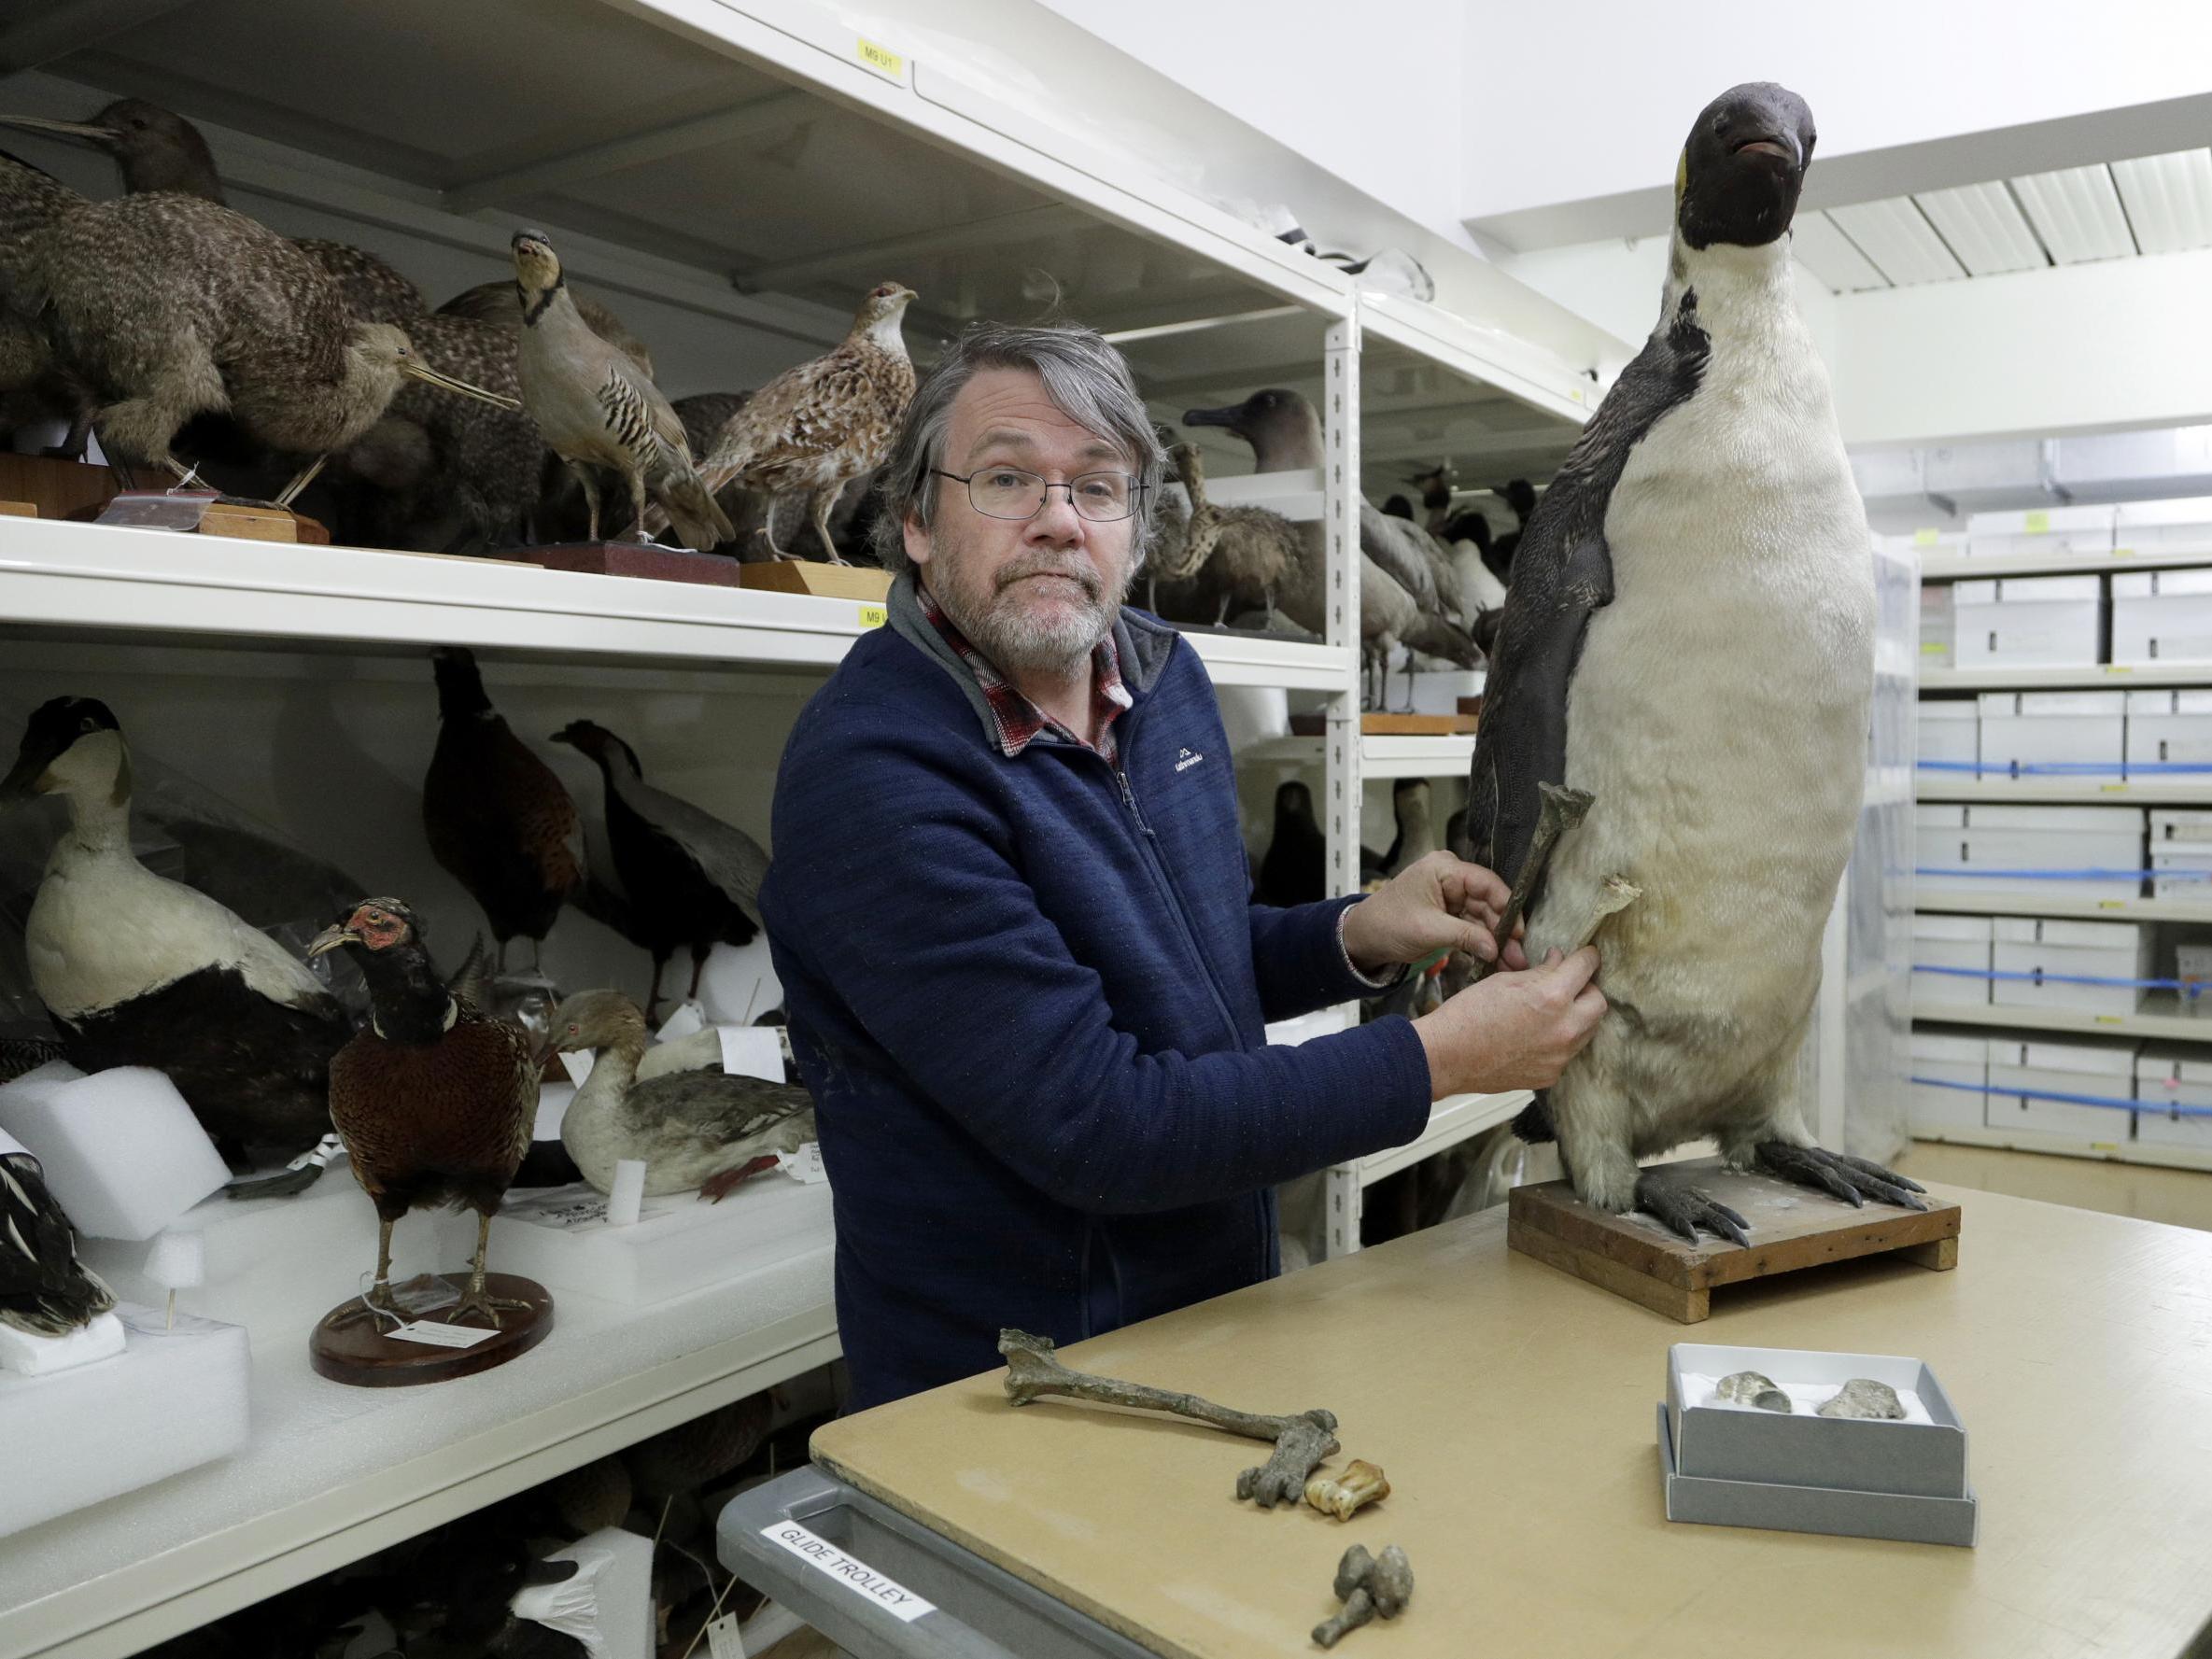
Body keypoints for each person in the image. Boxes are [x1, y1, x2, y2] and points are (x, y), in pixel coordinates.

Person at [759, 322, 1604, 1410]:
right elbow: (1104, 1125)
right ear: (917, 522)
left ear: (1134, 521)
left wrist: (1350, 935)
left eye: (1097, 487)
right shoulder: (874, 775)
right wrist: (1439, 1060)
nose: (1059, 521)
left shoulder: (1159, 680)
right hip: (1015, 1390)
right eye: (1007, 477)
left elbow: (1176, 952)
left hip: (1210, 1322)